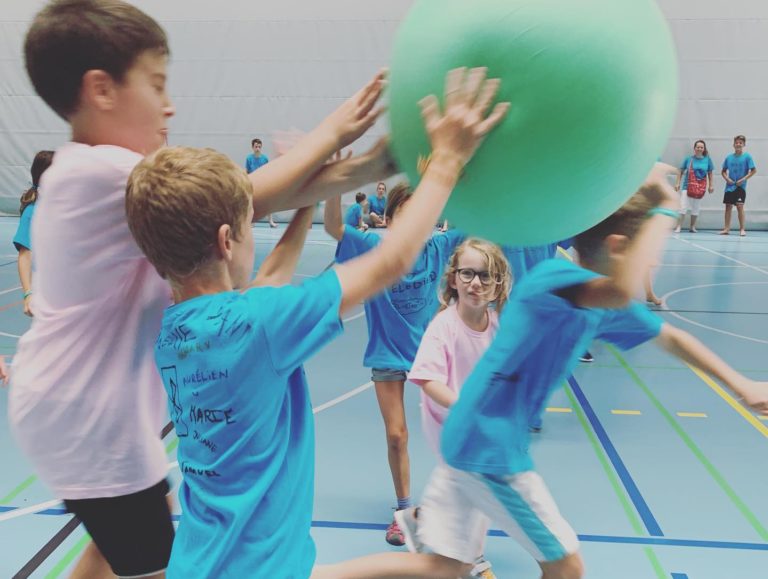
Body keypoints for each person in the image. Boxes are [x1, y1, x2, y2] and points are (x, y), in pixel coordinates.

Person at [8, 1, 398, 576]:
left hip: (77, 411)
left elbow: (251, 201)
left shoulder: (83, 168)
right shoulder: (103, 172)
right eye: (156, 83)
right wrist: (343, 137)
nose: (169, 104)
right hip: (91, 424)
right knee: (157, 563)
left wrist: (373, 164)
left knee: (124, 532)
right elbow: (241, 199)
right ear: (102, 90)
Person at [126, 66, 509, 578]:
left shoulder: (176, 333)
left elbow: (274, 276)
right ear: (226, 241)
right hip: (261, 568)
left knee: (438, 569)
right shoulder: (259, 323)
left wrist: (306, 201)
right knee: (436, 570)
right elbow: (388, 263)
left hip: (208, 560)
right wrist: (446, 162)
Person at [396, 165, 768, 579]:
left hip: (470, 437)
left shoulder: (599, 309)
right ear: (617, 247)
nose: (656, 258)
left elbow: (670, 337)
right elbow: (623, 288)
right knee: (567, 568)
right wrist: (667, 207)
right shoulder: (553, 280)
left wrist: (741, 384)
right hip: (488, 447)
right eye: (649, 249)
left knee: (441, 568)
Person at [325, 181, 464, 546]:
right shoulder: (375, 247)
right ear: (389, 219)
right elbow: (334, 228)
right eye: (405, 215)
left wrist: (462, 182)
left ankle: (453, 506)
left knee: (457, 432)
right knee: (396, 435)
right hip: (387, 353)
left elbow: (483, 225)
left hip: (429, 355)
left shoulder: (439, 246)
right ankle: (404, 511)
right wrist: (332, 187)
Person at [408, 238, 511, 579]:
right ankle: (474, 557)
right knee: (477, 481)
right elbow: (427, 379)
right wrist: (464, 407)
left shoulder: (496, 327)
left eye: (485, 276)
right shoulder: (444, 327)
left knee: (473, 483)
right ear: (453, 279)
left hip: (477, 423)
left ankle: (421, 519)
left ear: (497, 285)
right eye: (467, 274)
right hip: (446, 419)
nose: (475, 283)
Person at [13, 150, 54, 317]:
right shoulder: (32, 212)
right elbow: (25, 255)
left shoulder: (59, 205)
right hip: (48, 293)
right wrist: (28, 294)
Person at [674, 139, 714, 233]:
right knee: (683, 207)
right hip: (687, 186)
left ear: (704, 149)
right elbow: (680, 171)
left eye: (701, 147)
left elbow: (710, 173)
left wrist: (711, 185)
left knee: (696, 207)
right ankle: (678, 226)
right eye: (698, 147)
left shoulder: (707, 160)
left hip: (700, 188)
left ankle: (692, 227)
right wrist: (677, 183)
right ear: (694, 148)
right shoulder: (689, 159)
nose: (699, 149)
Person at [720, 135, 757, 236]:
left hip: (741, 187)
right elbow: (723, 171)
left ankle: (742, 229)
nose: (738, 144)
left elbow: (754, 170)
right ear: (733, 144)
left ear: (744, 144)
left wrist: (743, 179)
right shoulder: (729, 157)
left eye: (740, 143)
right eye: (737, 142)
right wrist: (727, 179)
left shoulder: (747, 157)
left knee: (740, 206)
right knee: (728, 207)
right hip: (729, 187)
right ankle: (726, 229)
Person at [245, 137, 275, 227]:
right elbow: (247, 171)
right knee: (251, 202)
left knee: (268, 201)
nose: (257, 148)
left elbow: (267, 170)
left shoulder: (265, 158)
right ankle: (252, 221)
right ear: (252, 147)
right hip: (252, 183)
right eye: (256, 146)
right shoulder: (249, 158)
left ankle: (271, 221)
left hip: (263, 182)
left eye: (259, 146)